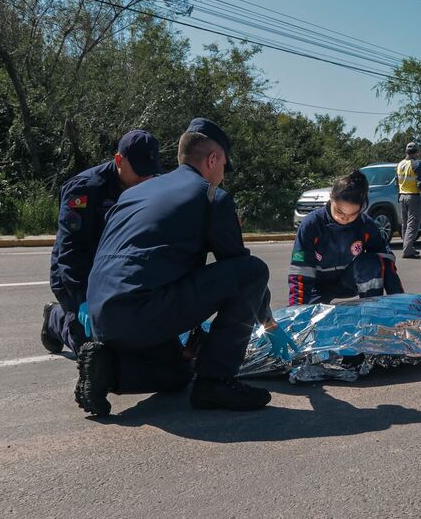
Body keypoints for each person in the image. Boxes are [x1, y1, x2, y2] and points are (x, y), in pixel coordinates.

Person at [75, 118, 275, 416]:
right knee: (254, 270)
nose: (222, 176)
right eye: (223, 167)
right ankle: (216, 382)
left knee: (181, 371)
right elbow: (240, 269)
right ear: (212, 159)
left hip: (102, 319)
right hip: (144, 312)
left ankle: (107, 369)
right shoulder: (211, 197)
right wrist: (267, 320)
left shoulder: (133, 193)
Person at [41, 130, 161, 356]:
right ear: (119, 160)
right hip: (76, 276)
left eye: (150, 173)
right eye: (139, 172)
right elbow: (70, 251)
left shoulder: (148, 187)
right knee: (90, 347)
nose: (145, 180)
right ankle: (55, 319)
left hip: (112, 275)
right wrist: (84, 299)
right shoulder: (84, 189)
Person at [288, 170, 405, 305]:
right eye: (339, 211)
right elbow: (300, 271)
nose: (344, 218)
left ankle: (371, 309)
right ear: (331, 198)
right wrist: (297, 309)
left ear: (361, 208)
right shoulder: (311, 225)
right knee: (307, 317)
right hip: (318, 285)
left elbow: (387, 264)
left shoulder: (366, 225)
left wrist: (399, 301)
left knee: (371, 263)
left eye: (352, 215)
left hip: (348, 282)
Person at [395, 142, 421, 259]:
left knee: (405, 224)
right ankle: (408, 250)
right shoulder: (416, 164)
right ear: (416, 152)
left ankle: (408, 248)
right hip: (413, 197)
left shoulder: (400, 164)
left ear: (406, 152)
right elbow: (420, 184)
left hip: (402, 197)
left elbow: (397, 182)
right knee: (413, 224)